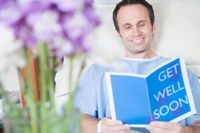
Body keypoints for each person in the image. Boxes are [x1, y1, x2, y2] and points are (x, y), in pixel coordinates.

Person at [74, 0, 200, 132]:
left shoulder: (180, 72)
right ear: (119, 34)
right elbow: (75, 120)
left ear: (153, 26)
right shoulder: (97, 71)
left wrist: (185, 131)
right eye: (127, 27)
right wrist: (99, 127)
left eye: (141, 24)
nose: (136, 32)